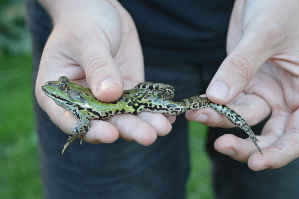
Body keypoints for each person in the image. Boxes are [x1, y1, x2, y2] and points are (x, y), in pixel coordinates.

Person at [25, 0, 299, 198]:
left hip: (275, 41)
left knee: (273, 187)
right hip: (109, 42)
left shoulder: (83, 113)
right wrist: (73, 6)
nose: (59, 88)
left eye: (62, 87)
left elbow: (83, 125)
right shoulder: (83, 107)